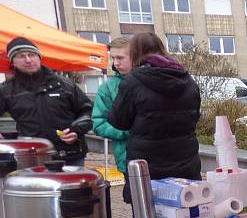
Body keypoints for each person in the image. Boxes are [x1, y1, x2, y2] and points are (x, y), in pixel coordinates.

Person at [108, 33, 201, 200]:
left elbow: (119, 121)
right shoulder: (188, 80)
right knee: (185, 215)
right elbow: (195, 118)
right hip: (185, 162)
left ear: (135, 53)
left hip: (147, 167)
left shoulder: (132, 82)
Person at [0, 37, 93, 165]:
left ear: (39, 58)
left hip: (70, 155)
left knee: (74, 185)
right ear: (13, 62)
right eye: (21, 56)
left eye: (32, 55)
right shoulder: (7, 90)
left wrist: (76, 130)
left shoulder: (64, 84)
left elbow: (88, 111)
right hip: (32, 157)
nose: (28, 60)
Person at [92, 37, 132, 201]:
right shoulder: (108, 88)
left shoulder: (151, 80)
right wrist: (126, 132)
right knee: (137, 207)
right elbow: (98, 123)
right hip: (127, 158)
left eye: (120, 58)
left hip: (157, 156)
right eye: (113, 58)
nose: (116, 63)